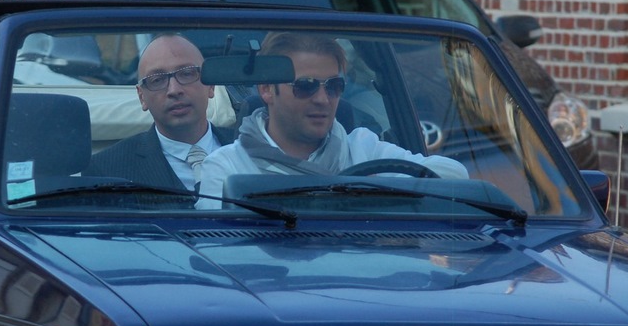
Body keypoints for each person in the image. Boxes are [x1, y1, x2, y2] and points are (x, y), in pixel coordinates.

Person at [197, 32, 467, 206]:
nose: (323, 99)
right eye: (306, 86)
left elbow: (454, 176)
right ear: (267, 89)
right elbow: (220, 250)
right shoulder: (226, 167)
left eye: (334, 86)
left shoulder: (363, 148)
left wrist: (378, 190)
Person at [85, 33, 235, 189]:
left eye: (186, 74)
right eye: (157, 80)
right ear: (142, 97)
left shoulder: (250, 149)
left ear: (210, 85)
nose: (174, 90)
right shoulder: (106, 171)